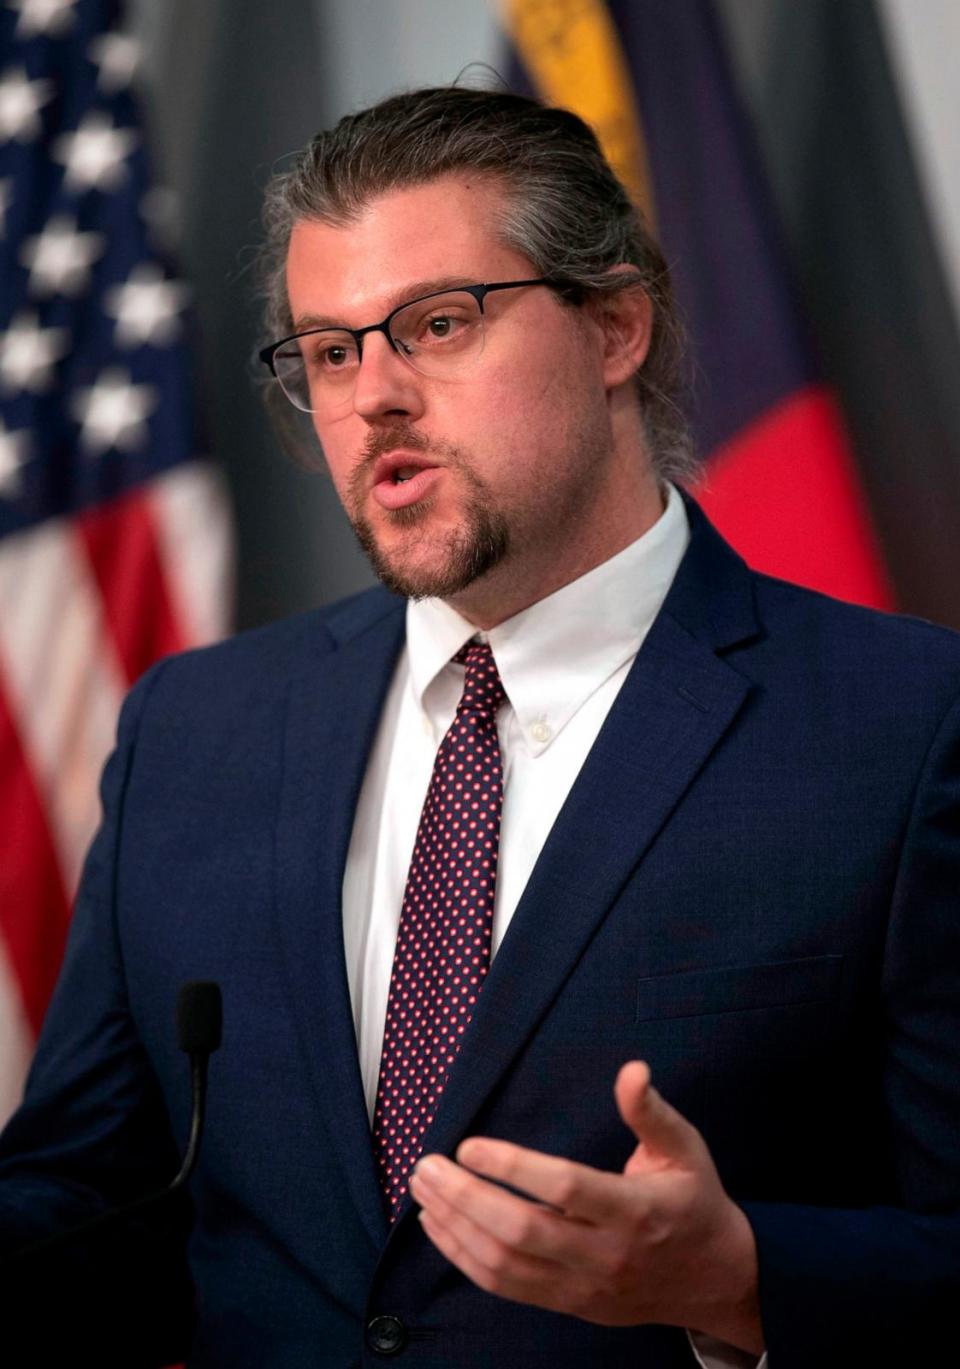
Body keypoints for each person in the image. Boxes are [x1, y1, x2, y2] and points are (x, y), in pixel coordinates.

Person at [2, 85, 959, 1369]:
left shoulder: (906, 728)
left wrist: (741, 1281)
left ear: (616, 326)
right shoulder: (196, 727)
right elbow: (91, 1207)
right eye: (330, 351)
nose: (373, 397)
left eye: (436, 324)